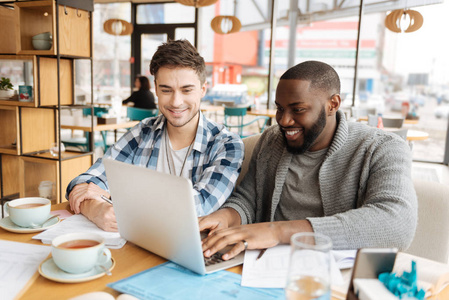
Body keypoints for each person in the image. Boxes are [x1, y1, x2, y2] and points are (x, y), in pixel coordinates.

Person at [200, 60, 417, 261]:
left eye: (298, 109)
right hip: (266, 265)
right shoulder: (272, 140)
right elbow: (248, 199)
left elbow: (397, 224)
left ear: (333, 104)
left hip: (336, 275)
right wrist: (226, 217)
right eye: (280, 109)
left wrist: (277, 231)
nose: (284, 121)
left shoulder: (383, 147)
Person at [66, 40, 244, 232]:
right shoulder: (142, 132)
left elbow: (200, 206)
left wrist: (111, 197)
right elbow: (83, 183)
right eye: (166, 90)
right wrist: (95, 208)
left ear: (202, 89)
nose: (176, 102)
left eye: (186, 90)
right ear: (156, 89)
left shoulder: (227, 144)